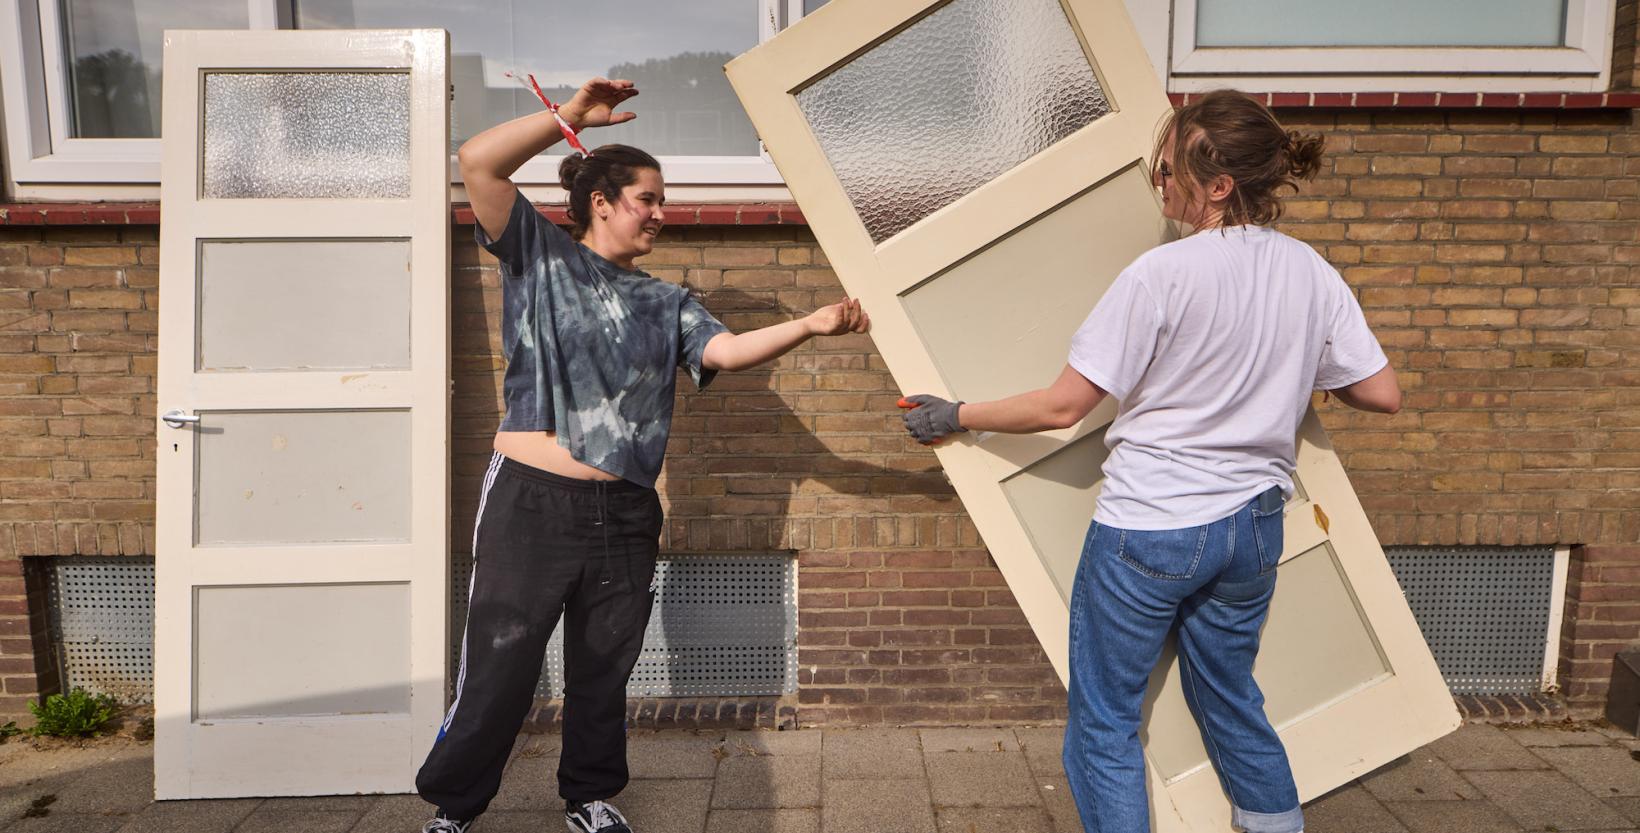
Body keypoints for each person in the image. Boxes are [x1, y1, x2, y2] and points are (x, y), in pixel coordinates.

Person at [900, 89, 1401, 833]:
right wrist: (1281, 368)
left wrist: (955, 413)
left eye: (1165, 173)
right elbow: (1381, 393)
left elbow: (1062, 407)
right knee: (1231, 695)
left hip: (1152, 528)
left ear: (1219, 185)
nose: (1159, 186)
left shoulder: (1159, 275)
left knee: (1105, 720)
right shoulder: (1310, 272)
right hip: (1253, 528)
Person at [417, 77, 869, 833]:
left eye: (663, 201)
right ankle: (453, 809)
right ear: (602, 199)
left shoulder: (669, 303)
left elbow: (725, 347)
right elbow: (478, 161)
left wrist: (811, 324)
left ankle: (588, 798)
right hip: (530, 499)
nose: (663, 213)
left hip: (623, 510)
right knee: (500, 663)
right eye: (648, 198)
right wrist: (568, 117)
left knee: (603, 667)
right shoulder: (541, 256)